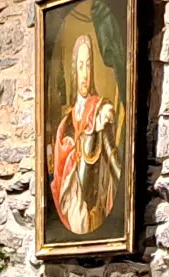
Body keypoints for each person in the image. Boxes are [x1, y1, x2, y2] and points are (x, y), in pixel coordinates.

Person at [47, 28, 121, 237]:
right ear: (74, 71)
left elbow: (112, 158)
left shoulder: (100, 109)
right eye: (81, 66)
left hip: (93, 205)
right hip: (72, 206)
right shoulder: (66, 122)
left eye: (89, 65)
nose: (85, 73)